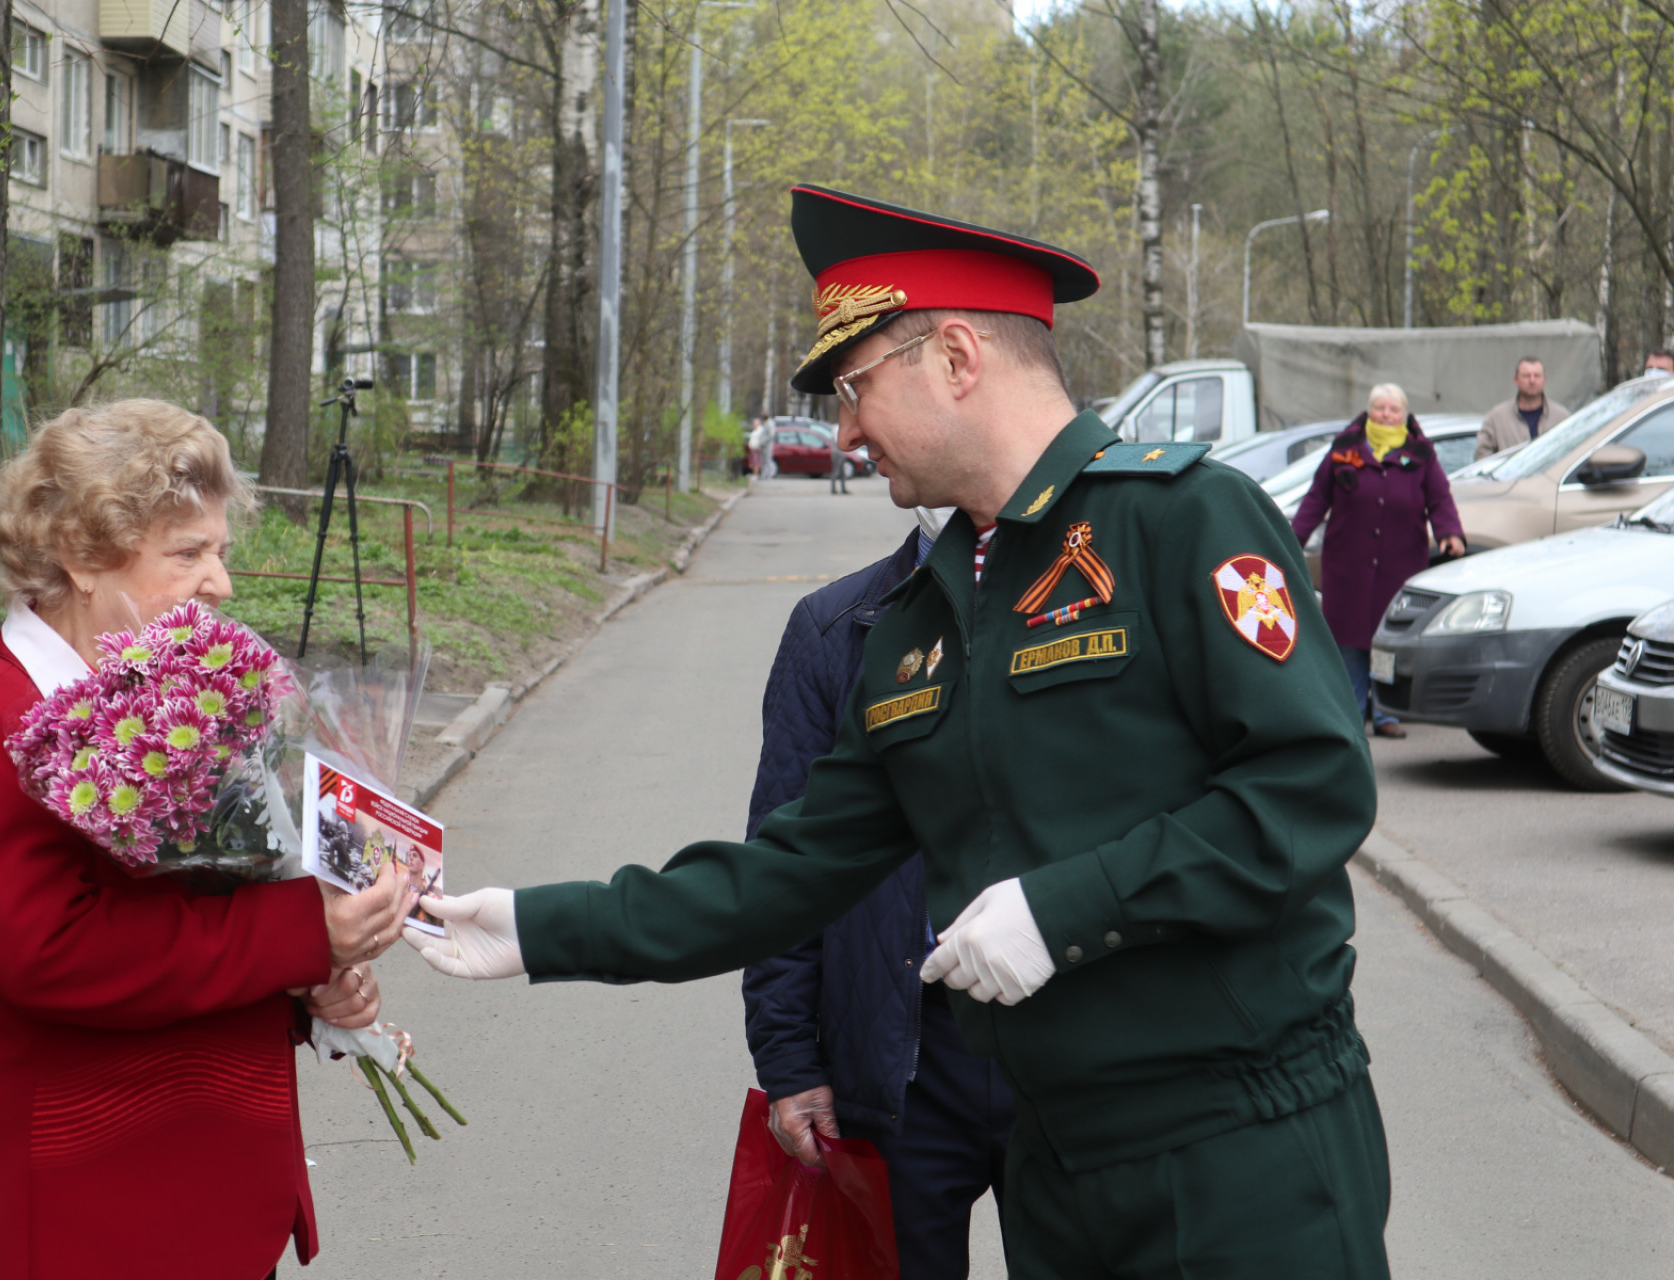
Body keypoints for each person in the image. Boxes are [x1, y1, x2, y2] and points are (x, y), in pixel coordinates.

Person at [405, 187, 1388, 1279]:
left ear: (957, 356)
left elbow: (1312, 788)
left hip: (1238, 1148)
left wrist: (1068, 908)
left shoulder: (1181, 519)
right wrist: (543, 927)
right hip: (1060, 1164)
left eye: (858, 387)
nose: (847, 430)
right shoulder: (917, 621)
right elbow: (789, 869)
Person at [0, 400, 413, 1280]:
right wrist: (303, 933)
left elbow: (213, 905)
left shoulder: (188, 696)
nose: (219, 582)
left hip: (217, 1193)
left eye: (219, 550)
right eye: (187, 554)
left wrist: (312, 983)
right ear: (79, 556)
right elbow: (47, 957)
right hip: (98, 1204)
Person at [742, 505, 1014, 1280]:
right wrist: (789, 1060)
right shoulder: (835, 630)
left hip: (1066, 1053)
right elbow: (781, 864)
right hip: (899, 1063)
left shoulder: (1096, 606)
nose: (853, 440)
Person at [1292, 385, 1466, 741]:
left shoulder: (1421, 452)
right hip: (1348, 566)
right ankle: (1352, 713)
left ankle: (1385, 714)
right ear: (1369, 412)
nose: (1386, 414)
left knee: (1386, 641)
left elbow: (1440, 497)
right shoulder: (1344, 449)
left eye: (1393, 409)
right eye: (1379, 408)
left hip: (1399, 565)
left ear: (1404, 414)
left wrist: (1450, 532)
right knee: (1349, 641)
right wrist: (1291, 539)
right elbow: (1316, 499)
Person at [1474, 356, 1568, 459]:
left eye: (1536, 376)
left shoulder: (1561, 417)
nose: (1532, 380)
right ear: (1516, 379)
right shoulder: (1497, 417)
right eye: (1526, 376)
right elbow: (1482, 456)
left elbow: (1573, 452)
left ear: (1544, 379)